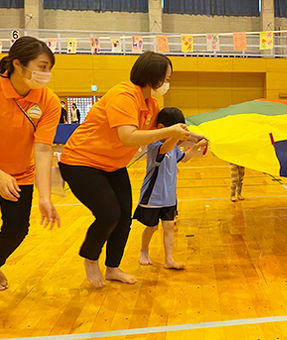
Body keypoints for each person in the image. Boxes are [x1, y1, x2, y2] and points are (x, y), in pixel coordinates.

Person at [59, 52, 192, 288]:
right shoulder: (123, 95)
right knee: (109, 214)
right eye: (166, 78)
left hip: (113, 165)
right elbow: (129, 137)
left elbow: (160, 145)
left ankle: (112, 268)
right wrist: (169, 131)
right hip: (81, 162)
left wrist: (183, 136)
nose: (167, 83)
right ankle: (90, 258)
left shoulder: (151, 104)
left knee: (123, 218)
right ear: (153, 76)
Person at [0, 36, 61, 291]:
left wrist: (45, 197)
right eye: (41, 67)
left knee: (17, 229)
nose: (46, 74)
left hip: (21, 174)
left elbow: (44, 149)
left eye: (49, 68)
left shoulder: (49, 101)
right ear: (18, 64)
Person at [135, 107, 207, 269]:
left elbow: (184, 159)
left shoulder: (174, 147)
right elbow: (165, 148)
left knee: (169, 227)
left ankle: (169, 259)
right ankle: (144, 250)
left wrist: (195, 146)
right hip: (152, 196)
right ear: (161, 128)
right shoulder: (154, 145)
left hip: (169, 197)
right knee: (152, 226)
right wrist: (179, 135)